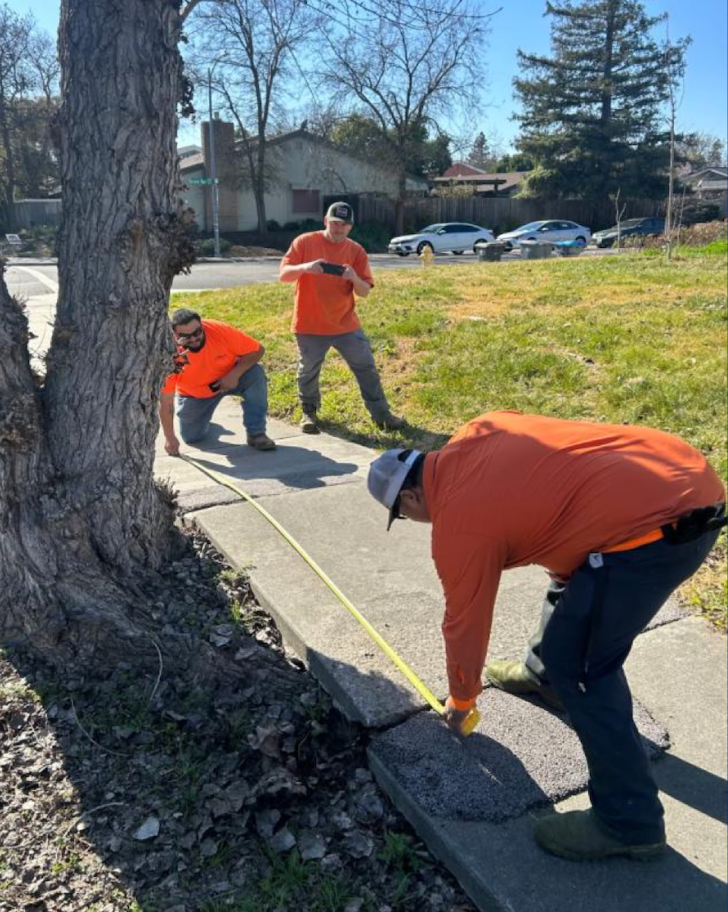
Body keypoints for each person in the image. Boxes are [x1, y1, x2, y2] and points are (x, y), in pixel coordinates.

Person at [367, 410, 726, 862]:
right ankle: (544, 676)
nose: (413, 520)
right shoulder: (480, 429)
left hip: (656, 532)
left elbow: (465, 622)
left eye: (402, 515)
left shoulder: (458, 523)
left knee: (584, 668)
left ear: (411, 496)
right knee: (573, 596)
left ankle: (629, 822)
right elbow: (557, 502)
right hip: (686, 477)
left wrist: (461, 699)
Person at [279, 201, 404, 434]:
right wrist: (305, 267)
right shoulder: (304, 242)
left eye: (344, 225)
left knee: (366, 367)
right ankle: (309, 413)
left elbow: (364, 292)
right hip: (309, 323)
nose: (338, 229)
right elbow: (284, 275)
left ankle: (382, 415)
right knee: (308, 371)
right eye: (335, 223)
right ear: (326, 221)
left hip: (345, 324)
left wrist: (354, 277)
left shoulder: (356, 251)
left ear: (350, 227)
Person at [159, 309, 276, 455]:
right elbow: (166, 402)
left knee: (255, 373)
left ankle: (256, 433)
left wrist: (234, 374)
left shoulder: (219, 331)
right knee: (192, 437)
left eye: (197, 332)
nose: (194, 339)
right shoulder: (170, 355)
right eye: (185, 337)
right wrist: (169, 438)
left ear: (202, 326)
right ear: (175, 335)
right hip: (195, 395)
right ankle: (209, 423)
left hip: (230, 379)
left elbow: (258, 350)